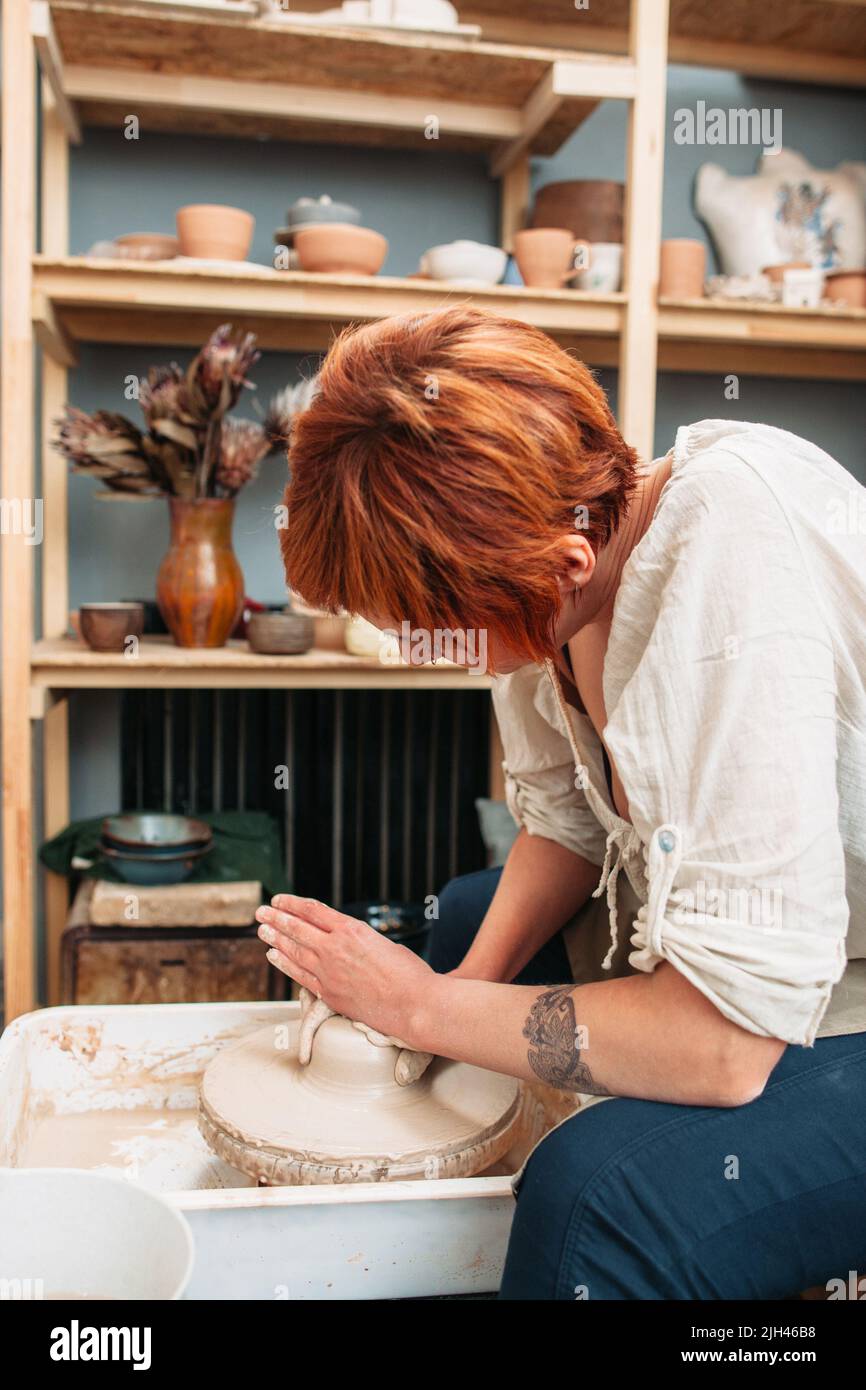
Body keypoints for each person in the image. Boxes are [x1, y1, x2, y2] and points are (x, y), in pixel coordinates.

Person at [256, 306, 866, 1300]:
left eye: (421, 627)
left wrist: (420, 1001)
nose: (420, 650)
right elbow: (566, 825)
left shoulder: (731, 569)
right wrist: (436, 1007)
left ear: (559, 572)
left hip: (810, 991)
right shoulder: (548, 557)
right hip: (769, 954)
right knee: (460, 918)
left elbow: (722, 1046)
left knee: (593, 1198)